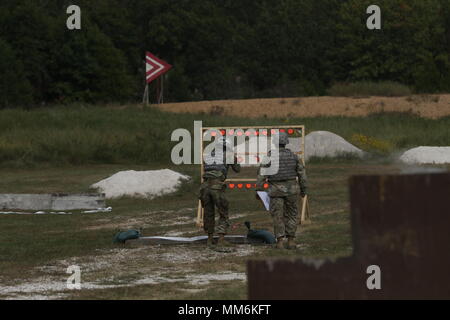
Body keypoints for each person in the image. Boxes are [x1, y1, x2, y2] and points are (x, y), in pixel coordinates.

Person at [256, 131, 307, 249]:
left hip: (275, 190)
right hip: (292, 190)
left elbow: (261, 175)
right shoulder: (294, 156)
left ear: (274, 142)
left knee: (277, 216)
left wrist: (258, 189)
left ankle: (279, 241)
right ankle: (291, 240)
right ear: (286, 142)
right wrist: (304, 190)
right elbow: (302, 175)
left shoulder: (269, 156)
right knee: (292, 215)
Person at [199, 136, 240, 248]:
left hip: (204, 187)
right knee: (223, 212)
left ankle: (209, 239)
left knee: (208, 213)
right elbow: (237, 169)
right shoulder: (228, 154)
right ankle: (221, 239)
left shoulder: (208, 155)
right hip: (216, 186)